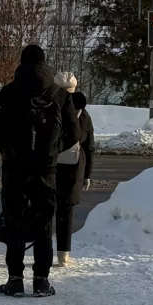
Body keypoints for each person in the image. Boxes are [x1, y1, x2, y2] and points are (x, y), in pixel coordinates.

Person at [0, 45, 79, 298]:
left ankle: (15, 280)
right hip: (46, 169)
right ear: (45, 63)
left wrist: (7, 149)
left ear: (22, 62)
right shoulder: (59, 94)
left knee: (14, 219)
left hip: (15, 168)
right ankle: (41, 281)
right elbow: (74, 132)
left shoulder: (10, 91)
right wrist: (53, 151)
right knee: (43, 223)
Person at [54, 86, 95, 267]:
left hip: (49, 165)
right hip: (73, 168)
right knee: (65, 211)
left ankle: (42, 253)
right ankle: (63, 254)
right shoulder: (83, 115)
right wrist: (87, 174)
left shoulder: (48, 106)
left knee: (44, 210)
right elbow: (89, 146)